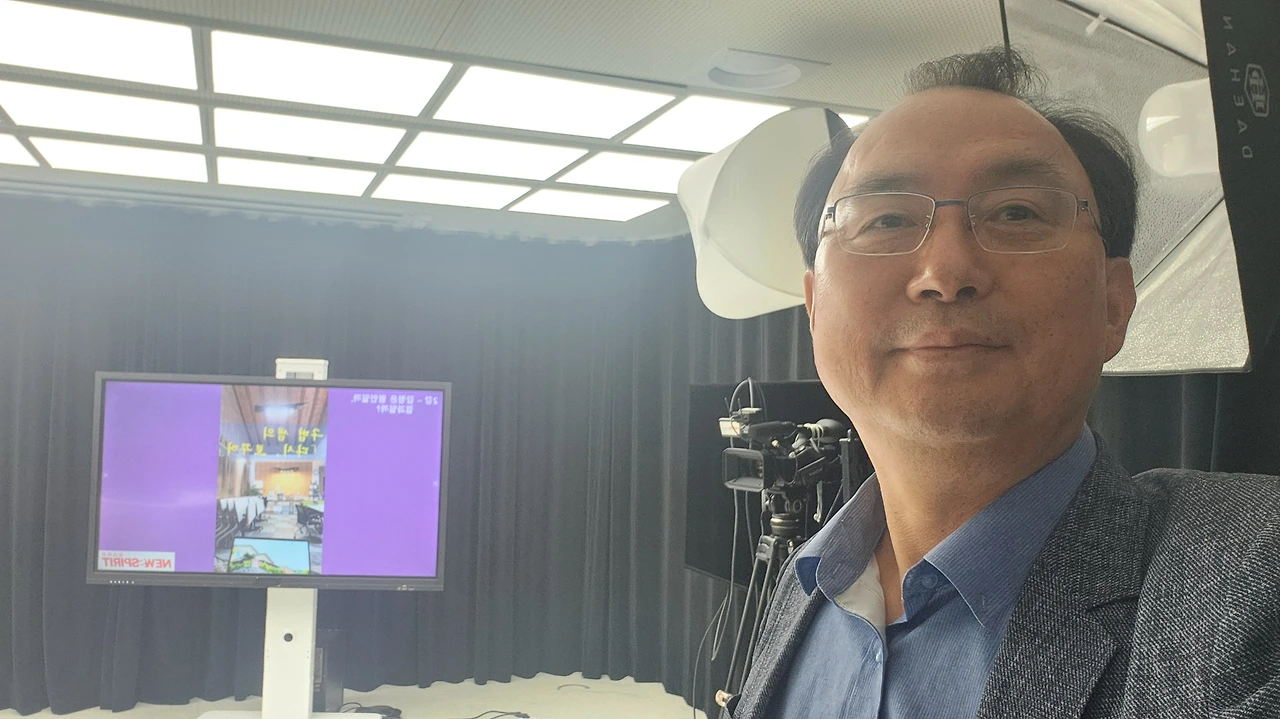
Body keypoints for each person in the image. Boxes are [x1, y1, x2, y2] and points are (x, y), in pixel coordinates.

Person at [724, 48, 1280, 718]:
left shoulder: (1252, 583)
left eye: (1017, 213)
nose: (945, 271)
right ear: (815, 309)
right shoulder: (807, 581)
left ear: (1114, 303)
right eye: (887, 219)